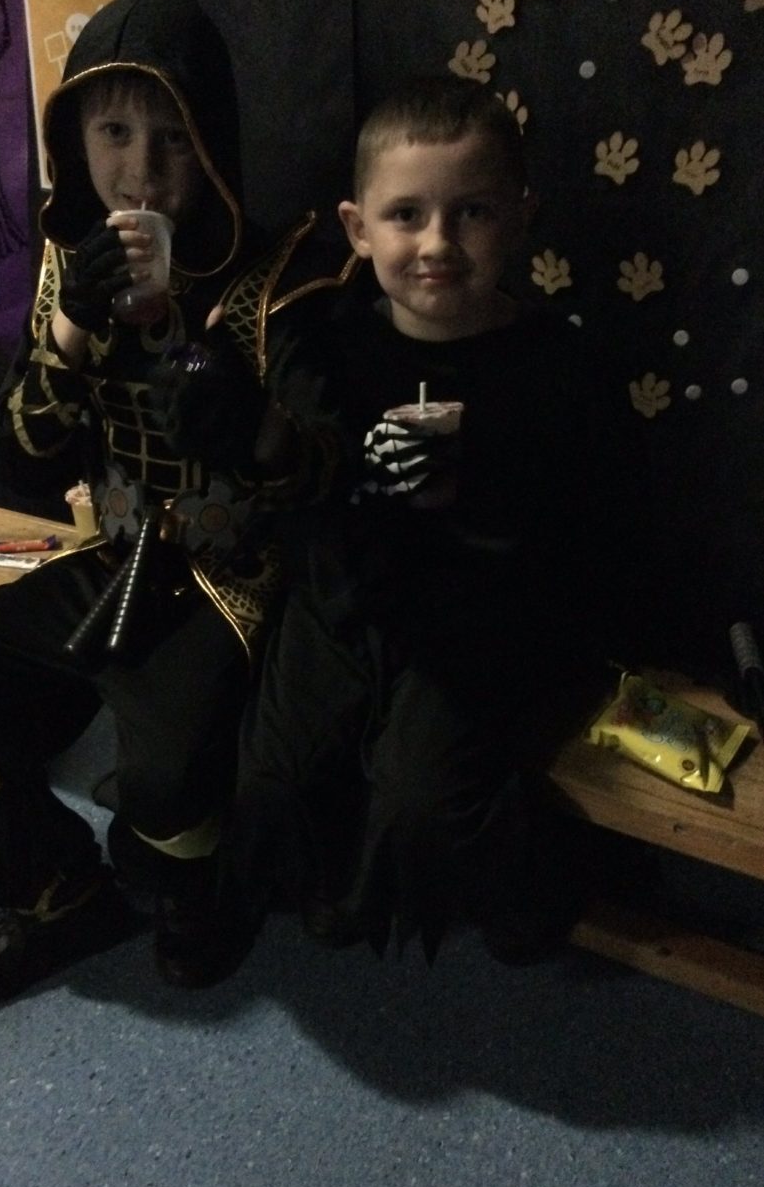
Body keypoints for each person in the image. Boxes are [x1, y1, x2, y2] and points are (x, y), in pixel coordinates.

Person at [0, 0, 348, 1006]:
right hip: (115, 555)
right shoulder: (70, 265)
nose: (142, 168)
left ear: (214, 137)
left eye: (174, 136)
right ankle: (56, 891)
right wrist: (70, 334)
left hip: (233, 574)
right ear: (75, 140)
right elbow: (21, 464)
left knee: (167, 782)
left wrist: (253, 425)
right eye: (115, 133)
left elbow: (334, 482)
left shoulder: (285, 277)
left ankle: (198, 897)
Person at [218, 73, 617, 968]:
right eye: (405, 215)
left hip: (482, 615)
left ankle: (521, 886)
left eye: (470, 213)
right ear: (358, 228)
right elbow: (299, 498)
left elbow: (582, 545)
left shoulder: (557, 367)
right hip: (346, 598)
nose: (436, 243)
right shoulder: (328, 348)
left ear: (519, 217)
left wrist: (473, 490)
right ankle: (332, 877)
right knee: (275, 777)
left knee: (423, 802)